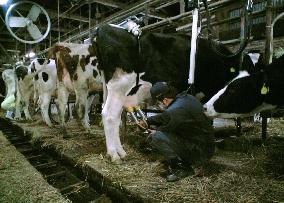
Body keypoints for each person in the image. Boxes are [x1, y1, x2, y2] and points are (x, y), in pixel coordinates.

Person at [145, 82, 215, 182]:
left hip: (200, 153)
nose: (159, 105)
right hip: (206, 145)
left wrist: (154, 131)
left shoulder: (174, 110)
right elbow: (166, 117)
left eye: (158, 103)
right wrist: (149, 120)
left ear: (164, 100)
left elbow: (164, 129)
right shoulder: (186, 98)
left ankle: (183, 169)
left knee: (157, 137)